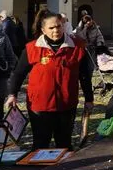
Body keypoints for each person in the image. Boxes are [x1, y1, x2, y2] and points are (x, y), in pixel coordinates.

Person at [6, 11, 94, 150]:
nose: (56, 30)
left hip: (66, 103)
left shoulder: (77, 47)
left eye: (58, 26)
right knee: (41, 144)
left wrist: (89, 99)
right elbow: (18, 73)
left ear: (63, 26)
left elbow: (84, 75)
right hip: (39, 105)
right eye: (51, 28)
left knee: (64, 144)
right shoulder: (31, 48)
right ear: (43, 30)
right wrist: (12, 94)